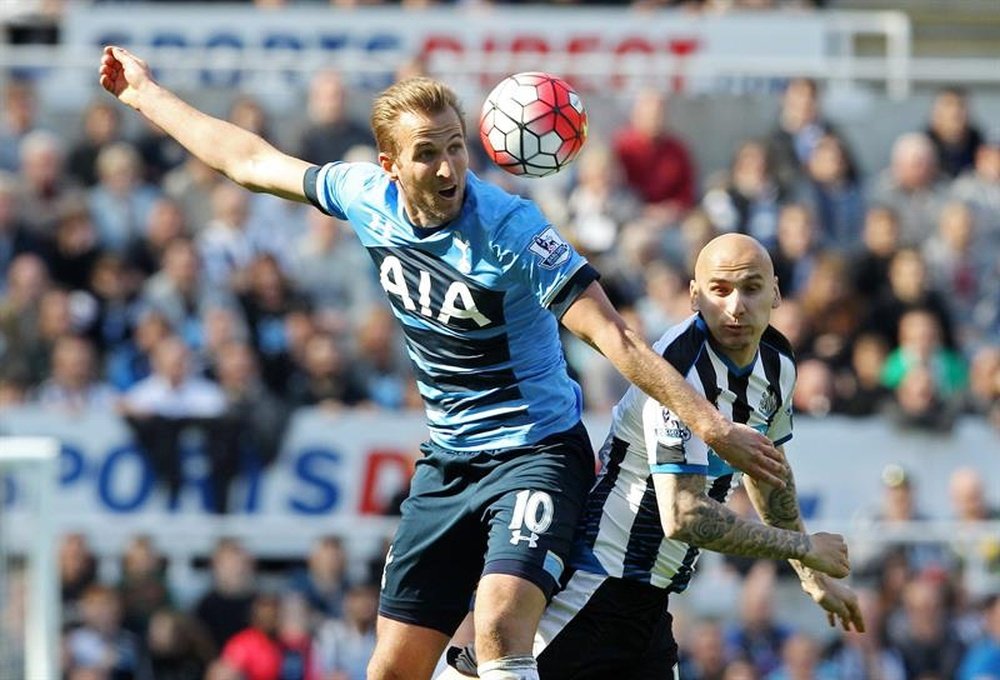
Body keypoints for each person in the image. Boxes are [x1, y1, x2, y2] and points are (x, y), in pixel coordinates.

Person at [99, 47, 786, 680]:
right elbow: (247, 160)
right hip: (448, 461)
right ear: (389, 162)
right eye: (427, 153)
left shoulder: (515, 229)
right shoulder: (365, 198)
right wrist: (145, 94)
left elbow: (616, 336)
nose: (449, 168)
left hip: (537, 453)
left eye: (456, 147)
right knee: (392, 667)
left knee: (498, 623)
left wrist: (709, 424)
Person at [442, 234, 864, 679]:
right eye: (720, 290)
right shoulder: (678, 370)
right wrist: (803, 547)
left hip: (649, 602)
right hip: (593, 587)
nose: (736, 306)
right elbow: (683, 516)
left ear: (776, 292)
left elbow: (768, 472)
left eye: (752, 288)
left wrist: (811, 575)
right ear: (695, 296)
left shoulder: (779, 364)